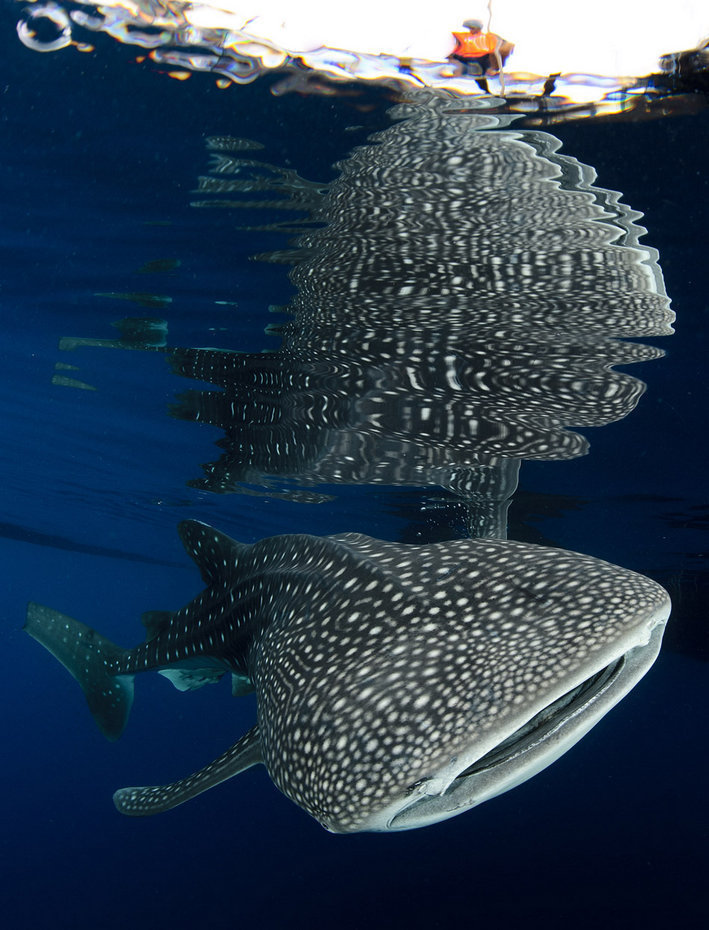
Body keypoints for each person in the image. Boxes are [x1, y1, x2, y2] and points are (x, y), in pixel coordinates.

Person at [449, 19, 514, 91]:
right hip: (467, 61)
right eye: (471, 28)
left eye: (473, 28)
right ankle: (485, 89)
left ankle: (486, 90)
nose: (471, 31)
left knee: (480, 76)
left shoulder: (490, 38)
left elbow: (507, 46)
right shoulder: (462, 37)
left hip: (483, 60)